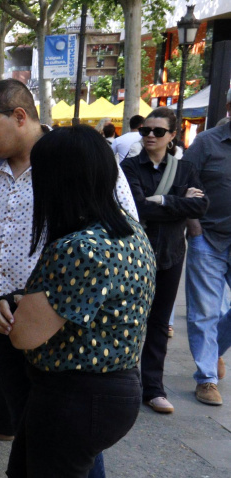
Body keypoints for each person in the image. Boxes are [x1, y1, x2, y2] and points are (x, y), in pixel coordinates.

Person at [0, 80, 137, 478]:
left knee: (69, 440)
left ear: (20, 116)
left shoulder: (82, 160)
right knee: (33, 430)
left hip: (64, 338)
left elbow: (119, 240)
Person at [4, 125, 156, 477]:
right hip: (111, 390)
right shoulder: (130, 232)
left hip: (75, 397)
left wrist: (15, 308)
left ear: (57, 179)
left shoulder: (79, 248)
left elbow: (24, 335)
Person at [121, 108, 208, 413]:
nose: (150, 136)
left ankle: (153, 389)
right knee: (127, 319)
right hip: (134, 256)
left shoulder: (185, 170)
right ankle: (124, 382)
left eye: (158, 132)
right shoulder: (129, 167)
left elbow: (200, 206)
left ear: (172, 136)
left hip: (170, 255)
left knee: (159, 324)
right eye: (146, 130)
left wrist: (161, 200)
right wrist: (179, 202)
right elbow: (135, 208)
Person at [181, 88, 231, 406]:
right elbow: (184, 182)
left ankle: (214, 352)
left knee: (212, 316)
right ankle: (206, 379)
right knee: (204, 313)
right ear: (229, 107)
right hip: (208, 237)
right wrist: (194, 229)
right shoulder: (206, 142)